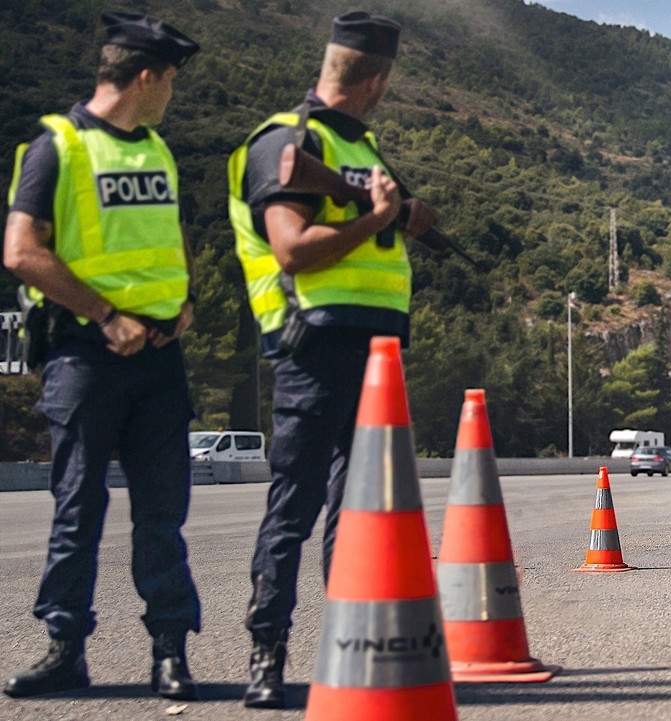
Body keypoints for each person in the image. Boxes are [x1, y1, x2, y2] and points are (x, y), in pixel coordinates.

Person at [226, 11, 434, 709]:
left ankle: (354, 650)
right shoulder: (288, 140)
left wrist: (403, 214)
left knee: (360, 510)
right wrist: (376, 219)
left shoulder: (361, 145)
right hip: (315, 341)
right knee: (297, 501)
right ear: (377, 81)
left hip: (378, 349)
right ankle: (267, 651)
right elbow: (292, 248)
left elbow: (368, 222)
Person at [2, 11, 202, 701]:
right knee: (78, 509)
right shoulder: (57, 147)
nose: (172, 93)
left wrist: (186, 298)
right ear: (145, 77)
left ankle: (170, 650)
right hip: (86, 356)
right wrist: (106, 315)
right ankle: (65, 648)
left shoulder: (157, 150)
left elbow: (171, 234)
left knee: (162, 515)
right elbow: (21, 251)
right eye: (169, 80)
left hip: (159, 359)